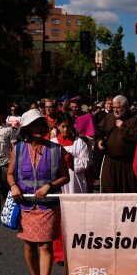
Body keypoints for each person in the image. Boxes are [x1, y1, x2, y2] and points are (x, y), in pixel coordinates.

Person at [8, 109, 69, 275]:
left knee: (45, 246)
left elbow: (65, 177)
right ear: (26, 128)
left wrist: (49, 186)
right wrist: (14, 186)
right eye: (33, 125)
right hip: (26, 203)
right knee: (29, 246)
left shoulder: (55, 149)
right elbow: (10, 175)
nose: (37, 128)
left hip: (48, 204)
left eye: (40, 124)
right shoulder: (18, 149)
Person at [51, 113, 91, 265]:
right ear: (57, 126)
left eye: (68, 126)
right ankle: (60, 253)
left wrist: (71, 161)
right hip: (60, 184)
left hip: (76, 183)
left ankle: (79, 250)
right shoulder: (53, 143)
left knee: (77, 217)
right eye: (62, 126)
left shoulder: (79, 142)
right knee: (60, 218)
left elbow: (85, 163)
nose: (66, 129)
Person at [96, 95, 137, 193]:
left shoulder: (136, 119)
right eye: (114, 108)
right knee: (109, 191)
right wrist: (99, 141)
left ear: (126, 107)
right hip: (110, 162)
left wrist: (124, 128)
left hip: (127, 163)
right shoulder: (109, 117)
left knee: (127, 192)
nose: (115, 110)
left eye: (118, 108)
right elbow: (99, 132)